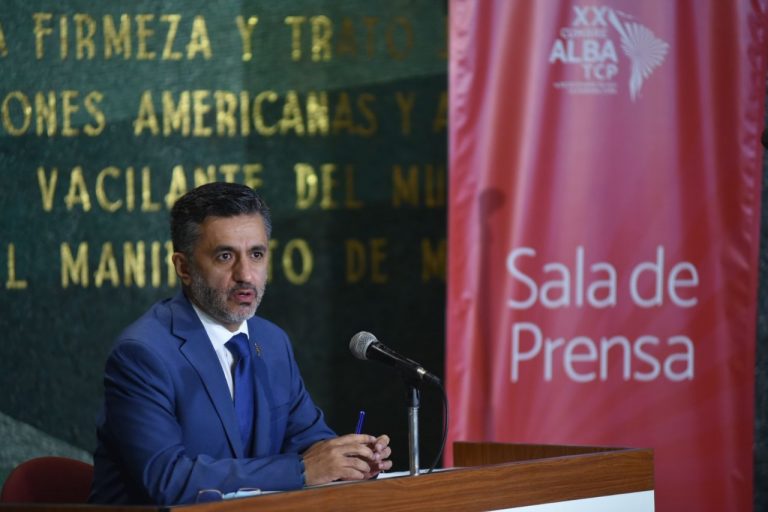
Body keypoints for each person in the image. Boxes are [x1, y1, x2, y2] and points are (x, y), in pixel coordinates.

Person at [89, 182, 392, 505]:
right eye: (225, 256)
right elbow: (169, 480)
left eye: (256, 254)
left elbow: (308, 441)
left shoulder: (272, 342)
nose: (245, 274)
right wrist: (301, 470)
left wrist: (350, 460)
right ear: (184, 267)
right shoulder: (143, 354)